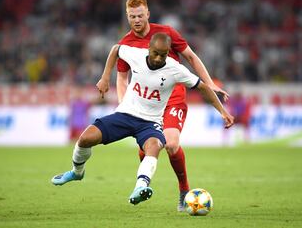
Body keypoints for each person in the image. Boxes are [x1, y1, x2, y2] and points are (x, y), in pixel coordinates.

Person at [51, 33, 234, 206]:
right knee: (85, 139)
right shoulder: (135, 54)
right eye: (155, 53)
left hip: (150, 123)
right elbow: (116, 49)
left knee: (154, 145)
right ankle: (77, 172)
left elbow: (202, 88)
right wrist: (105, 77)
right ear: (148, 49)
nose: (158, 58)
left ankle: (141, 187)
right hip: (124, 115)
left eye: (163, 55)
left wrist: (222, 111)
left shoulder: (175, 69)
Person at [114, 0, 230, 211]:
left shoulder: (166, 33)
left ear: (147, 14)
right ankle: (144, 181)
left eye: (140, 15)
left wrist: (209, 83)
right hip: (144, 103)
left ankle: (184, 190)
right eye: (132, 17)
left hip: (173, 97)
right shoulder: (126, 44)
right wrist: (124, 107)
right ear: (127, 17)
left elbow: (191, 57)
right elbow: (121, 77)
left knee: (171, 143)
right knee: (148, 145)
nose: (137, 20)